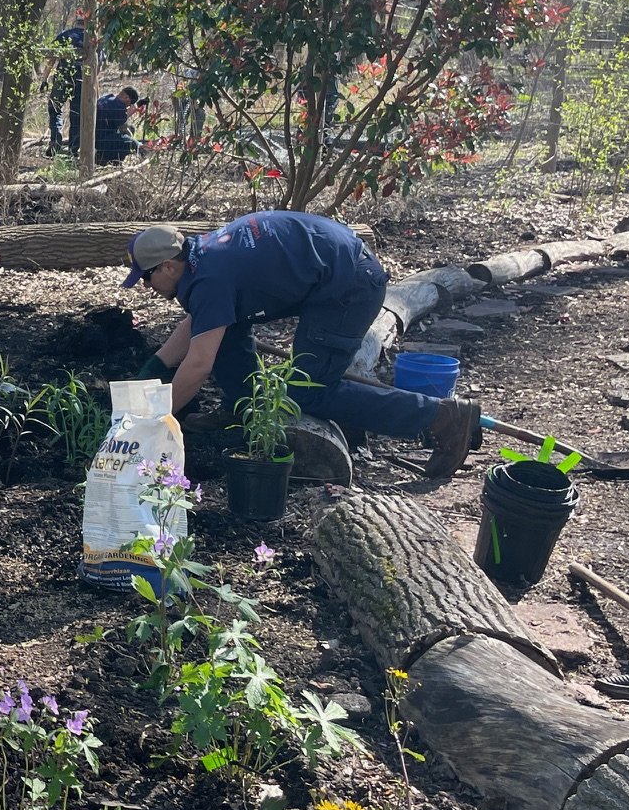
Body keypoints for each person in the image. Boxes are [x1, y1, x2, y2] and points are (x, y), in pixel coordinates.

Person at [123, 212, 478, 476]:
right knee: (227, 332)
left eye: (146, 277)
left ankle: (440, 417)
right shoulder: (202, 256)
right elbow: (201, 324)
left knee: (310, 390)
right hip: (334, 269)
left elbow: (199, 364)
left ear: (169, 266)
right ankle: (244, 410)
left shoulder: (210, 278)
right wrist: (155, 367)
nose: (146, 286)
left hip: (349, 286)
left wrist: (155, 419)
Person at [45, 27, 85, 155]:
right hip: (81, 81)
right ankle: (73, 149)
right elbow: (97, 65)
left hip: (62, 78)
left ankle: (55, 142)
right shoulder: (90, 38)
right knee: (76, 114)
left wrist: (44, 79)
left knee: (55, 109)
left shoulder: (64, 35)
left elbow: (51, 59)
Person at [96, 85, 143, 164]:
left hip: (96, 136)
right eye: (129, 104)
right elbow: (121, 121)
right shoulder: (118, 105)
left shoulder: (107, 98)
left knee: (130, 128)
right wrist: (133, 109)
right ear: (127, 99)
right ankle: (108, 160)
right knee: (132, 144)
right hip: (103, 141)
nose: (127, 107)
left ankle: (106, 157)